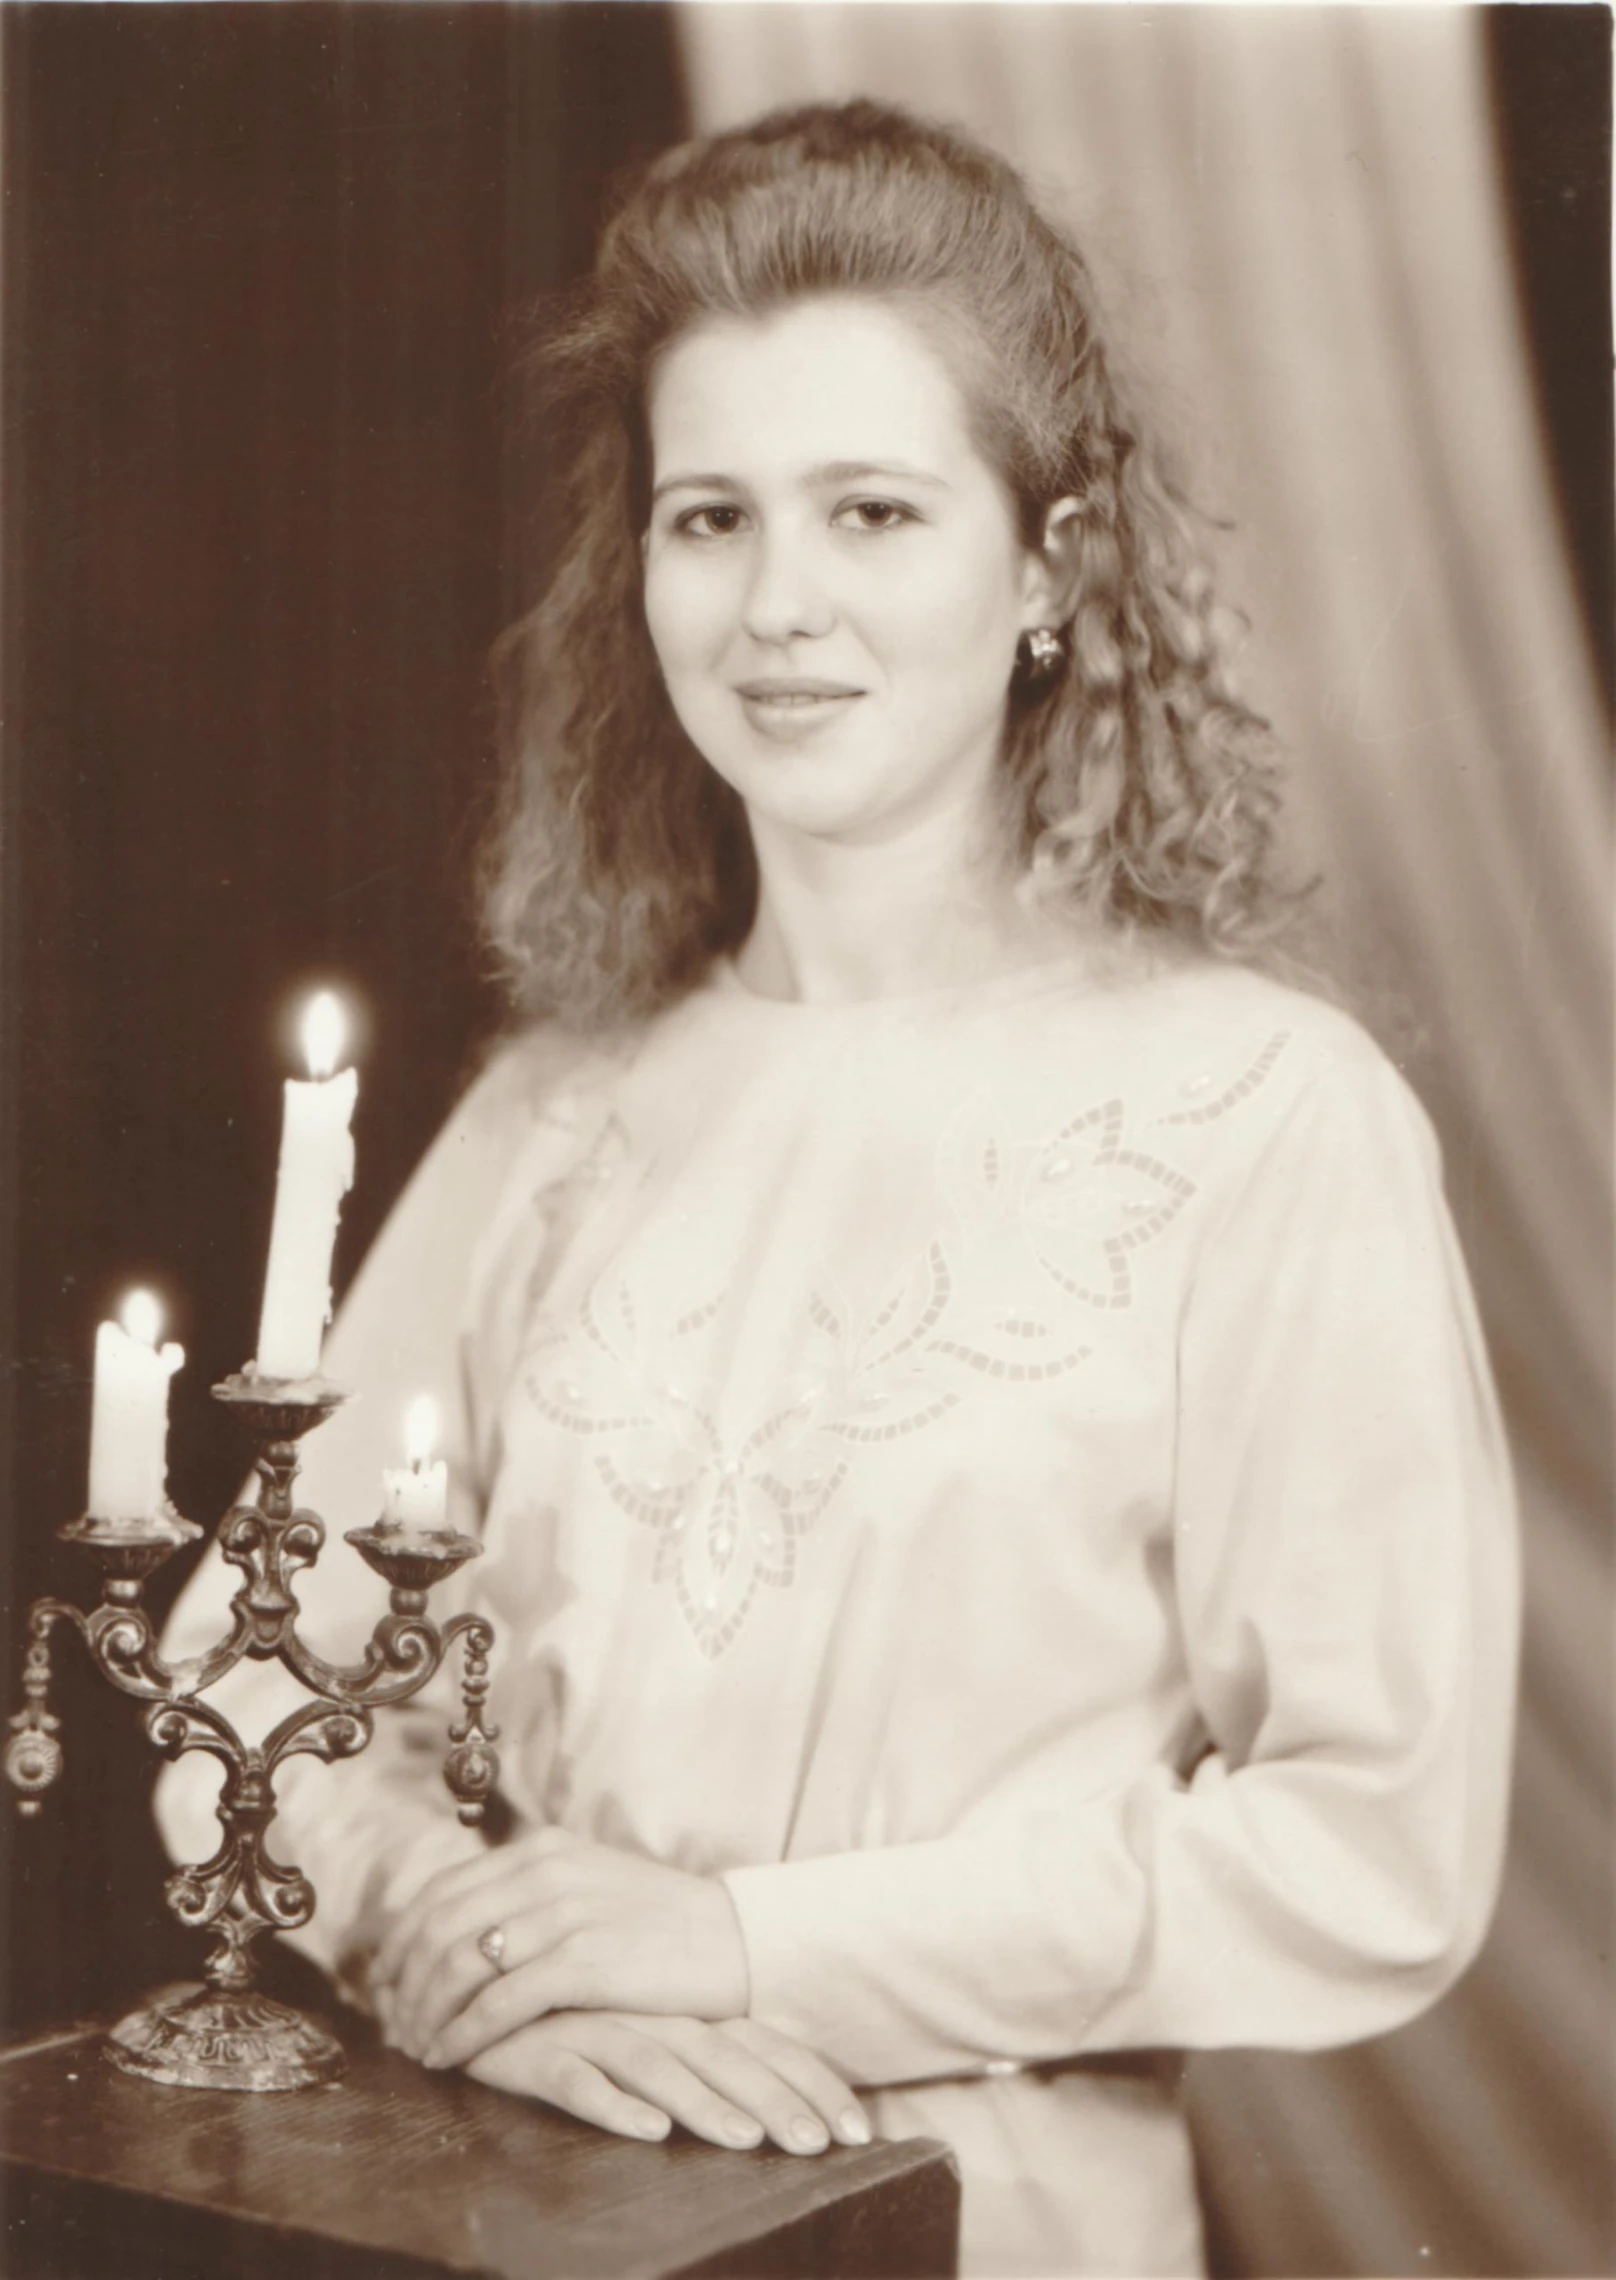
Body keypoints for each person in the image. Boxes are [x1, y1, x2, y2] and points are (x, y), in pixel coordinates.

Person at [157, 100, 1518, 2278]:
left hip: (988, 2233)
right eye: (712, 517)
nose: (777, 605)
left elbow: (1368, 1850)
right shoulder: (553, 1112)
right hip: (521, 2199)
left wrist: (733, 1941)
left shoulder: (1266, 1113)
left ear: (1047, 565)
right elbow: (246, 1673)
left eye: (872, 510)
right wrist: (445, 1939)